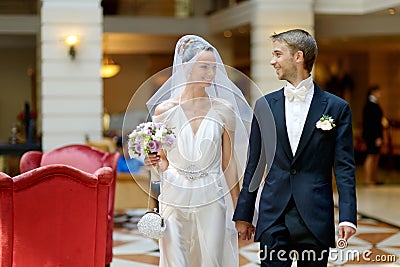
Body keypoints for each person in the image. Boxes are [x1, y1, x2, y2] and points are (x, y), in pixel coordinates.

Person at [233, 29, 357, 266]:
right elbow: (255, 165)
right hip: (273, 214)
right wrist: (244, 214)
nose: (272, 61)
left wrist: (348, 217)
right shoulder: (265, 105)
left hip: (315, 214)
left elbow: (344, 168)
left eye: (278, 54)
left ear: (298, 57)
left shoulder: (337, 107)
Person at [144, 35, 252, 266]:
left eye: (213, 68)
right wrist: (153, 161)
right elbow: (163, 163)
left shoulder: (224, 109)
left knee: (211, 259)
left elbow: (229, 164)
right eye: (204, 67)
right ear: (186, 68)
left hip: (212, 196)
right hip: (173, 195)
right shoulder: (164, 111)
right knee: (175, 260)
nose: (211, 74)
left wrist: (241, 211)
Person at [362, 85, 384, 185]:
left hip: (374, 134)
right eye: (379, 92)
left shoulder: (373, 104)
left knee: (375, 156)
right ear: (373, 92)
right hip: (372, 135)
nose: (380, 94)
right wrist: (377, 136)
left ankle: (373, 177)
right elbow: (372, 123)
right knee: (370, 155)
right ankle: (367, 179)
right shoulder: (371, 105)